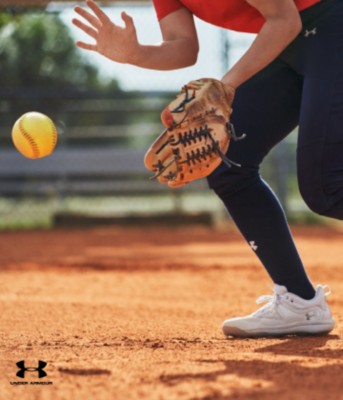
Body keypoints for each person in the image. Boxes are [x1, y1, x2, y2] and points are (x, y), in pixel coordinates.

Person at [72, 0, 341, 337]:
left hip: (330, 24)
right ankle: (300, 303)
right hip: (295, 43)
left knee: (325, 187)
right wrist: (134, 54)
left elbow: (284, 19)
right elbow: (183, 47)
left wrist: (225, 86)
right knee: (230, 164)